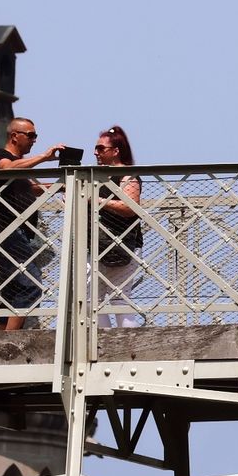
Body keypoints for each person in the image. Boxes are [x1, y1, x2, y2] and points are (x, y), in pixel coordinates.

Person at [0, 118, 67, 332]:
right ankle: (10, 340)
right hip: (7, 231)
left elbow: (33, 189)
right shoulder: (2, 158)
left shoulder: (18, 164)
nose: (34, 140)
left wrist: (60, 186)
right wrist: (44, 157)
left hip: (18, 233)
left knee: (13, 289)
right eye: (30, 135)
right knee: (31, 284)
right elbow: (6, 169)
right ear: (15, 136)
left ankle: (0, 339)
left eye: (35, 135)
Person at [92, 125, 144, 328]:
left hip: (122, 244)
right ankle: (101, 343)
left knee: (119, 299)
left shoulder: (128, 175)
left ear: (116, 151)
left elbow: (130, 207)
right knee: (89, 301)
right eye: (96, 148)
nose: (96, 152)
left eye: (101, 148)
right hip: (94, 244)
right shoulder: (95, 176)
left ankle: (126, 345)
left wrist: (96, 200)